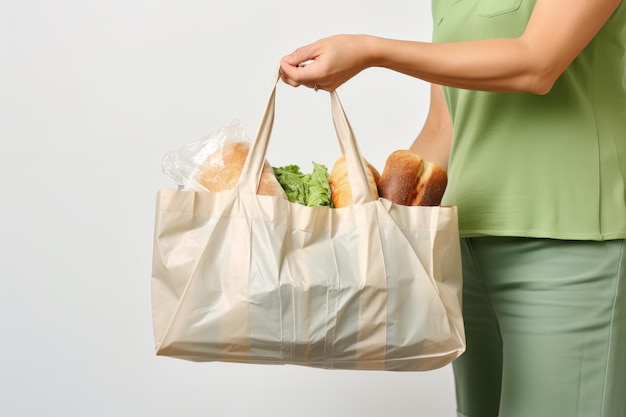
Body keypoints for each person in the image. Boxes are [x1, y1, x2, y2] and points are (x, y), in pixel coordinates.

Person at [279, 1, 626, 416]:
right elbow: (443, 126)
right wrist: (367, 223)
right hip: (465, 245)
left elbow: (537, 63)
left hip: (569, 239)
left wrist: (371, 50)